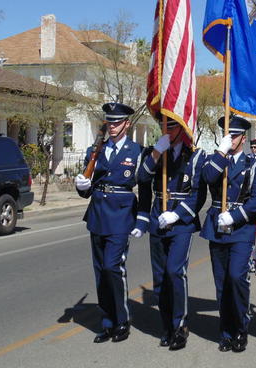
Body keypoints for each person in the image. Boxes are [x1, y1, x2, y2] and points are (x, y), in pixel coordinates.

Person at [136, 116, 207, 350]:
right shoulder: (154, 153)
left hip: (181, 221)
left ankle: (180, 326)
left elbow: (198, 194)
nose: (167, 129)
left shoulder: (196, 156)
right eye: (164, 125)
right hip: (158, 217)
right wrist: (156, 153)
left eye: (172, 125)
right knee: (161, 277)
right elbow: (142, 178)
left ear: (183, 128)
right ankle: (166, 326)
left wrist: (177, 214)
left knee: (175, 272)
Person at [74, 102, 143, 344]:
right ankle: (107, 321)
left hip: (122, 216)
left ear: (127, 124)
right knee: (101, 272)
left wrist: (142, 219)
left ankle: (122, 320)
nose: (112, 126)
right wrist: (82, 187)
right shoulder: (97, 150)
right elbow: (88, 185)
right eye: (110, 122)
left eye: (117, 122)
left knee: (114, 268)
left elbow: (144, 188)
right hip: (98, 215)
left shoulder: (137, 151)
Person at [200, 116, 256, 353]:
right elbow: (207, 178)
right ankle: (226, 331)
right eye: (227, 135)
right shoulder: (215, 159)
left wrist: (236, 216)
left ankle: (240, 328)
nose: (231, 139)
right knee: (222, 283)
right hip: (217, 226)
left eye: (235, 136)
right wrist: (221, 151)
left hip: (240, 228)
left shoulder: (253, 164)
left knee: (237, 278)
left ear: (243, 138)